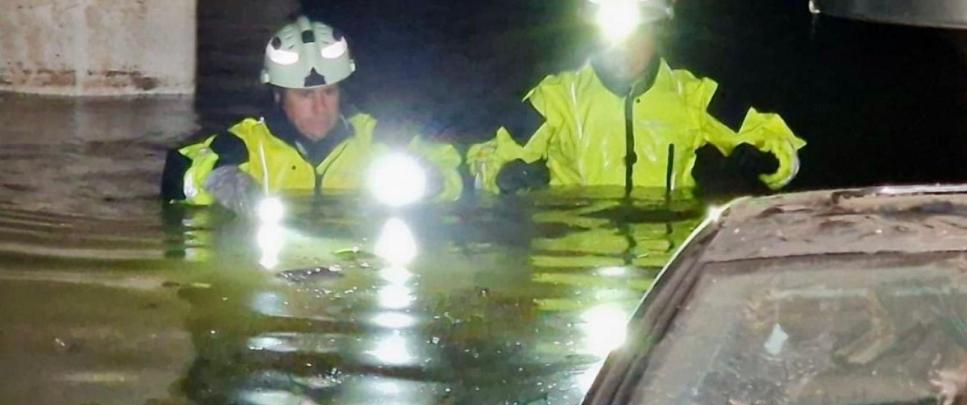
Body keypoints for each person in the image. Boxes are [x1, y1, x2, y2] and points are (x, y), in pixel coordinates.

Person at [468, 0, 805, 196]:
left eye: (637, 33)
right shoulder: (555, 97)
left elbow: (775, 141)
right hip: (574, 257)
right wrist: (506, 175)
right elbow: (489, 155)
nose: (624, 47)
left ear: (657, 35)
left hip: (664, 261)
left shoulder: (693, 94)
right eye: (615, 34)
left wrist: (766, 159)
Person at [161, 16, 463, 215]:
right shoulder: (245, 147)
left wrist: (432, 179)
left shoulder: (378, 139)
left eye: (329, 93)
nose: (321, 108)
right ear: (279, 96)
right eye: (305, 95)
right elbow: (182, 167)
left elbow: (462, 164)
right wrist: (220, 178)